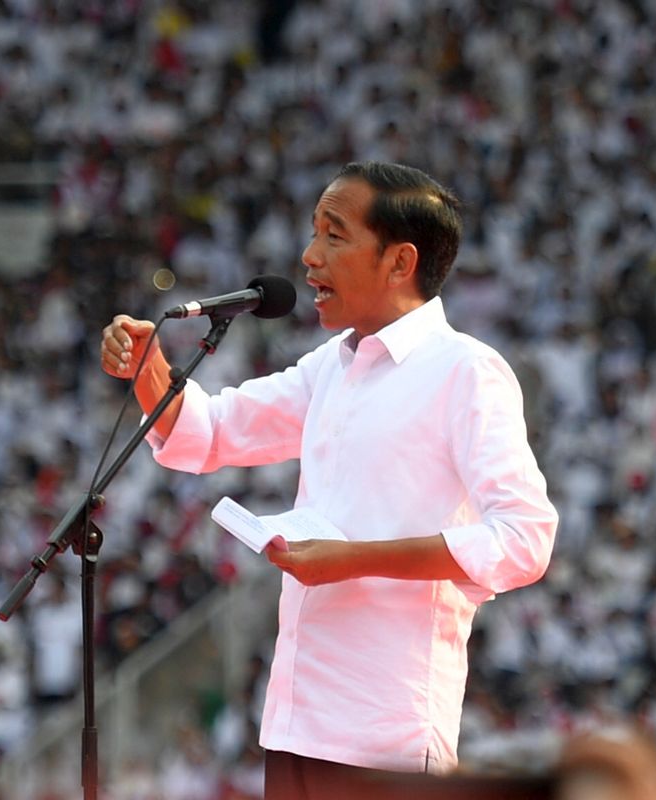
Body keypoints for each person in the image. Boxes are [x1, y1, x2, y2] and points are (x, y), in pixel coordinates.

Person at [101, 162, 559, 799]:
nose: (309, 257)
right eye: (314, 232)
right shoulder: (333, 366)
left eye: (334, 236)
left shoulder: (466, 372)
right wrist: (150, 367)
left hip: (386, 738)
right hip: (296, 723)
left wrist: (353, 561)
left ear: (400, 262)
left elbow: (523, 539)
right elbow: (207, 432)